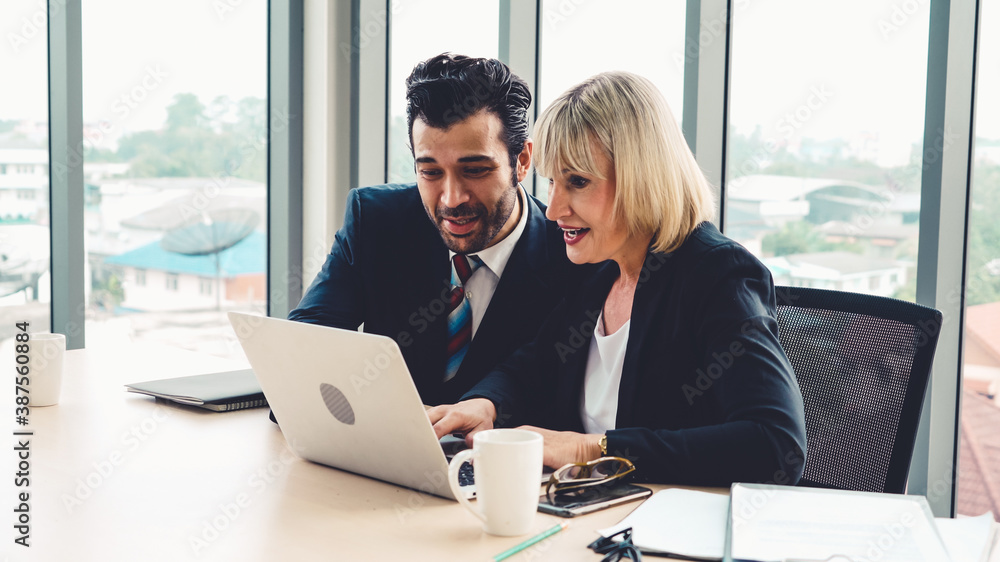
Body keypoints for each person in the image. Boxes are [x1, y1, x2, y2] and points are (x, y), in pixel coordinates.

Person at [429, 71, 807, 486]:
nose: (553, 209)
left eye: (578, 182)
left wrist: (589, 448)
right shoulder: (598, 269)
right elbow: (537, 363)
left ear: (641, 177)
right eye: (553, 181)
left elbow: (774, 444)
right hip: (581, 508)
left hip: (660, 527)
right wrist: (487, 404)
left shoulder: (719, 276)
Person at [287, 53, 582, 406]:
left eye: (474, 170)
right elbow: (302, 351)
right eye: (430, 172)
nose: (452, 198)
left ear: (521, 161)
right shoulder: (376, 222)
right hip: (386, 453)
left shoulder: (572, 254)